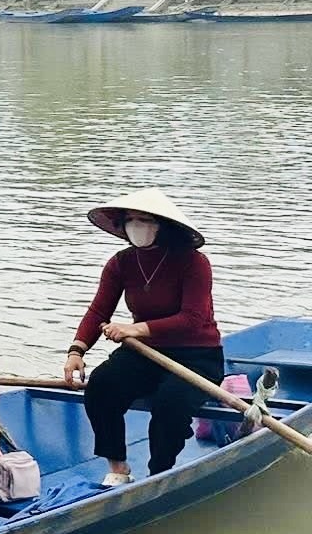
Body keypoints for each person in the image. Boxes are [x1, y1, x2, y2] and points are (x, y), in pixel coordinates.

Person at [63, 188, 223, 484]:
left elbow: (192, 318)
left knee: (169, 403)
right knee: (101, 386)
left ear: (162, 226)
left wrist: (135, 329)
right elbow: (99, 310)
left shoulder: (193, 262)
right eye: (131, 220)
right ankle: (118, 468)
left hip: (197, 355)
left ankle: (158, 474)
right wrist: (76, 351)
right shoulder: (121, 263)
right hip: (145, 353)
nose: (137, 226)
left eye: (145, 220)